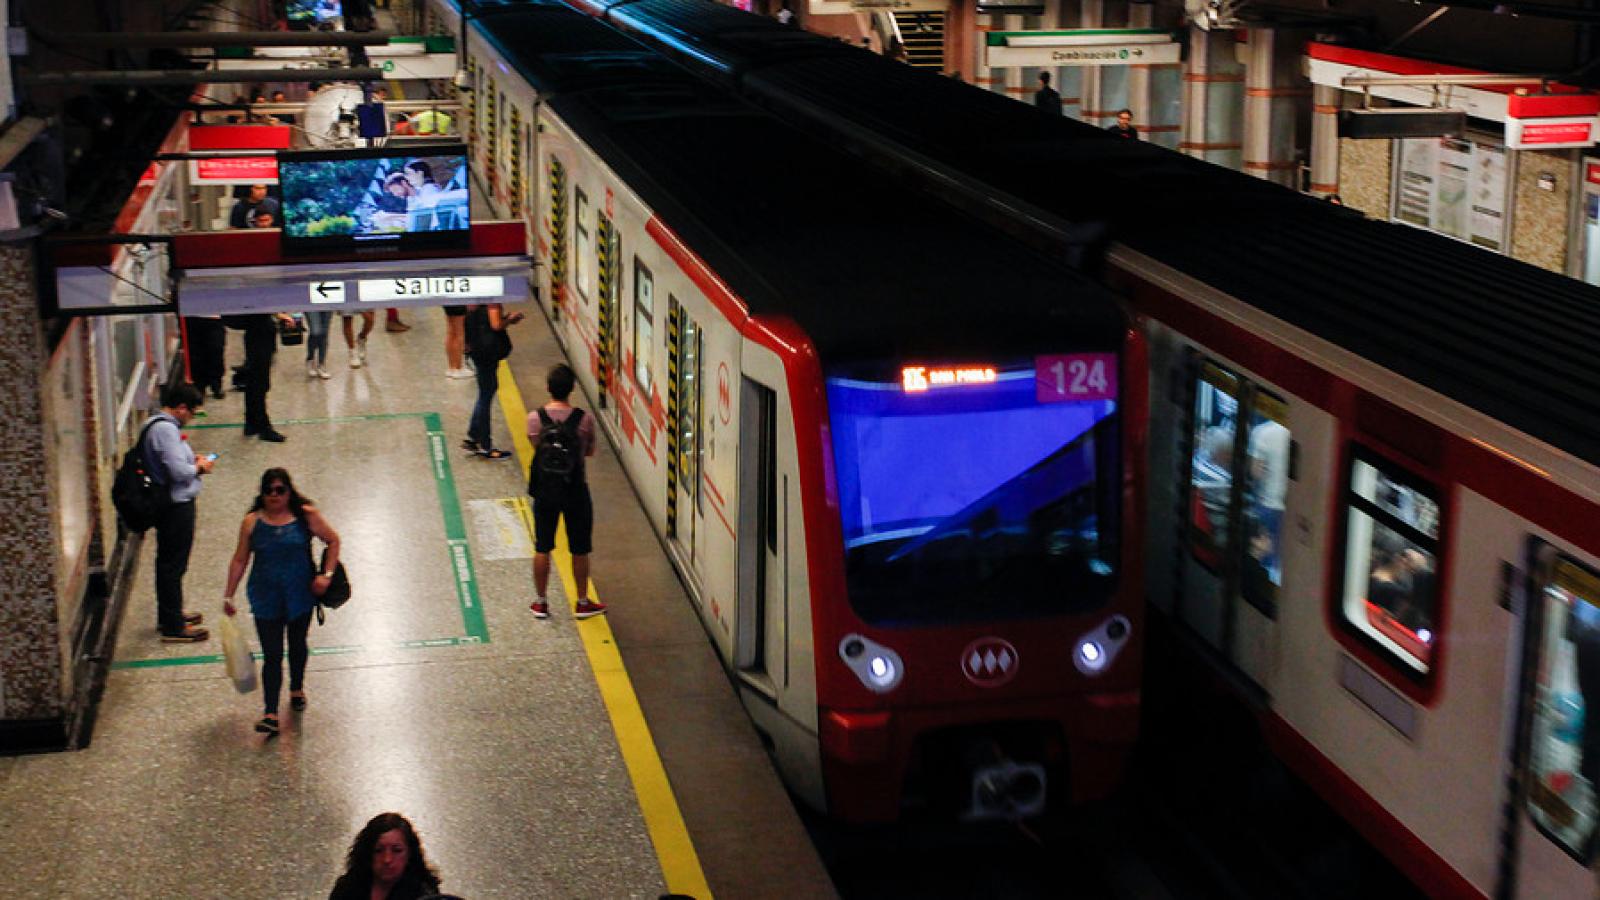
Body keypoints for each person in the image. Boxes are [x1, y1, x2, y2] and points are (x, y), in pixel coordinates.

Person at [222, 468, 340, 736]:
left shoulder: (305, 516)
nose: (274, 496)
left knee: (297, 644)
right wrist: (229, 594)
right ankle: (271, 712)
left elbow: (332, 540)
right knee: (272, 654)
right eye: (269, 491)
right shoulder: (252, 523)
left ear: (289, 491)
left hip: (299, 593)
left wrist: (327, 575)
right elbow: (240, 558)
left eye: (280, 490)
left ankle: (296, 687)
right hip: (265, 595)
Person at [527, 363, 606, 620]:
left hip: (545, 491)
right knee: (579, 548)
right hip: (575, 490)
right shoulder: (583, 419)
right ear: (572, 389)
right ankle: (582, 602)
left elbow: (535, 446)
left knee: (543, 546)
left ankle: (541, 602)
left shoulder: (534, 418)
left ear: (548, 388)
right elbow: (589, 452)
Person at [148, 383, 216, 642]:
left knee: (169, 563)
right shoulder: (166, 430)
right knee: (172, 565)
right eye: (192, 413)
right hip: (176, 506)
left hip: (169, 504)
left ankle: (170, 613)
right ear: (181, 408)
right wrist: (200, 467)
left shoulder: (155, 424)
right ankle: (173, 626)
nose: (191, 418)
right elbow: (178, 473)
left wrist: (191, 459)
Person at [329, 813, 442, 900]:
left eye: (397, 851)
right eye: (378, 851)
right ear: (367, 853)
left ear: (410, 854)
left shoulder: (425, 894)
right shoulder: (347, 888)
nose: (387, 859)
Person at [461, 303, 522, 460]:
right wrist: (509, 319)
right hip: (487, 351)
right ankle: (485, 445)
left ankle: (473, 436)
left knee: (485, 393)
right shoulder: (492, 298)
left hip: (476, 348)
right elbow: (496, 325)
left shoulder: (473, 297)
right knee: (486, 395)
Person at [240, 314, 288, 442]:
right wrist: (280, 315)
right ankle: (263, 426)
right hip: (259, 333)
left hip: (258, 331)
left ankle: (251, 422)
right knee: (259, 382)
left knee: (254, 380)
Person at [184, 316, 227, 400]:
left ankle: (216, 383)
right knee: (195, 353)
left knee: (216, 349)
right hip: (191, 315)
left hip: (214, 315)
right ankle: (199, 386)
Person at [305, 310, 334, 380]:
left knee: (324, 333)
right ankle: (310, 358)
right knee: (315, 331)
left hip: (327, 302)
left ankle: (321, 364)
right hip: (310, 304)